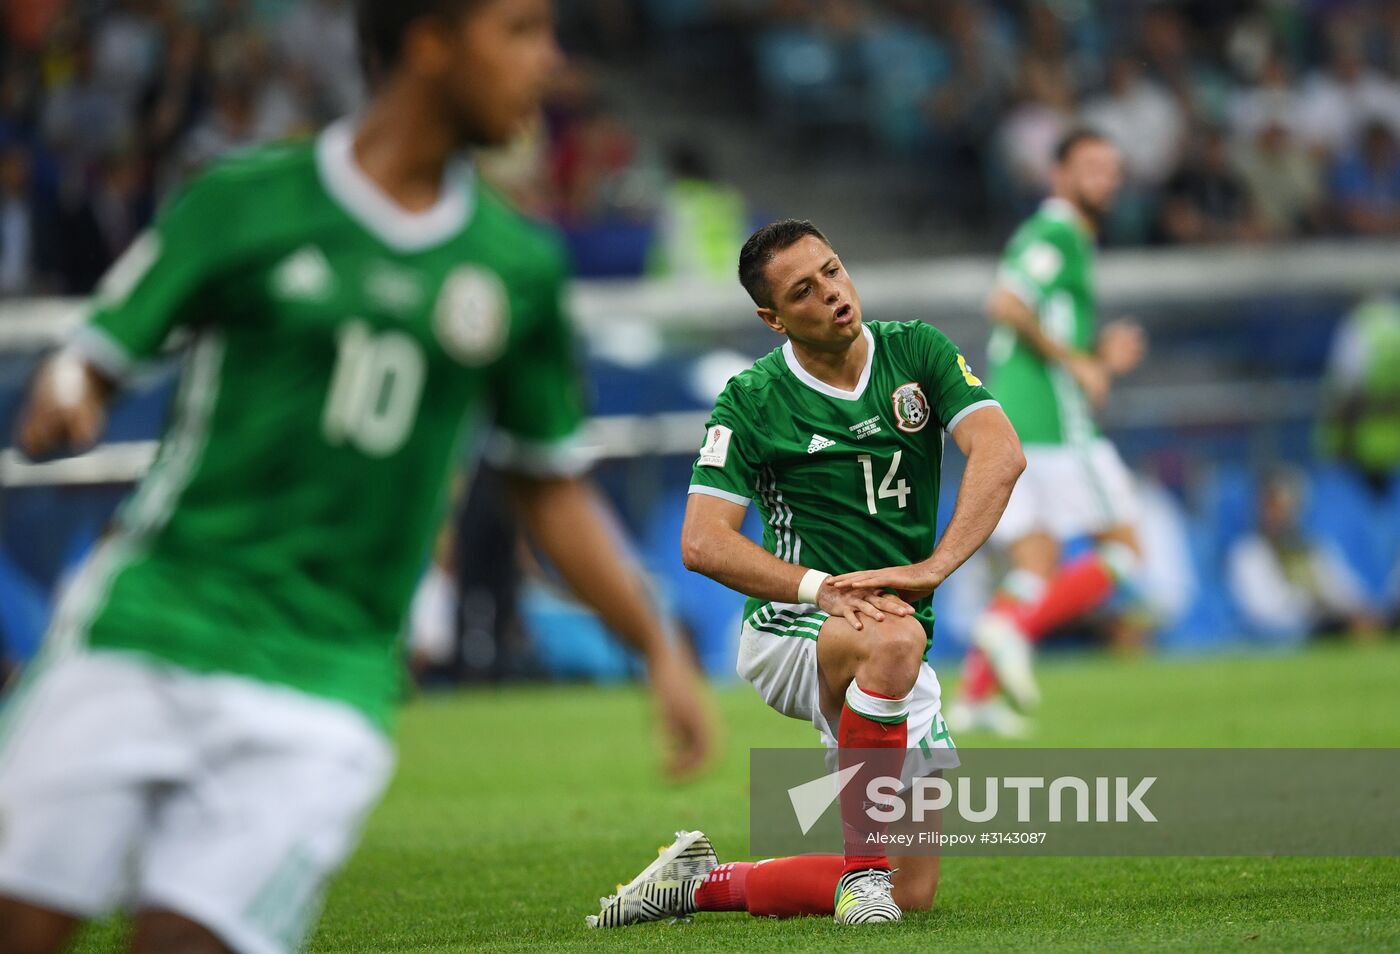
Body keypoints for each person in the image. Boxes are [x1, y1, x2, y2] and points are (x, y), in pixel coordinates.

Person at [0, 2, 714, 953]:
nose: (549, 63)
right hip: (150, 624)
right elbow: (97, 348)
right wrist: (69, 390)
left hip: (325, 683)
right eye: (520, 32)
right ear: (428, 42)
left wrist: (655, 643)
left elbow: (551, 483)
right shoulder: (246, 200)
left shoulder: (517, 268)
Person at [586, 219, 1025, 927]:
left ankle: (696, 884)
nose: (832, 294)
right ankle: (862, 876)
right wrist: (819, 587)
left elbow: (1000, 453)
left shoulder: (917, 352)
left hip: (893, 628)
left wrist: (935, 566)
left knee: (912, 892)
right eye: (804, 290)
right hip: (793, 624)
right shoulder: (753, 399)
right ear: (772, 317)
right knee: (893, 642)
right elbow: (701, 541)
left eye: (832, 271)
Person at [952, 128, 1147, 736]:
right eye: (1089, 165)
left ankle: (975, 698)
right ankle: (1013, 630)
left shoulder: (1069, 239)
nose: (1104, 177)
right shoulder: (1055, 232)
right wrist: (1080, 362)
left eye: (1111, 167)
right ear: (1058, 174)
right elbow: (1007, 303)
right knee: (1124, 550)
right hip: (1053, 422)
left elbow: (1035, 320)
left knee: (1035, 563)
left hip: (1015, 419)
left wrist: (1097, 354)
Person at [1226, 470, 1382, 645]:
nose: (1276, 515)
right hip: (1292, 633)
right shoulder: (1248, 552)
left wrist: (1360, 611)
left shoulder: (1314, 548)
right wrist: (1317, 608)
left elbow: (1344, 588)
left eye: (1282, 507)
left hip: (1332, 621)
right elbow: (1261, 610)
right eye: (1270, 507)